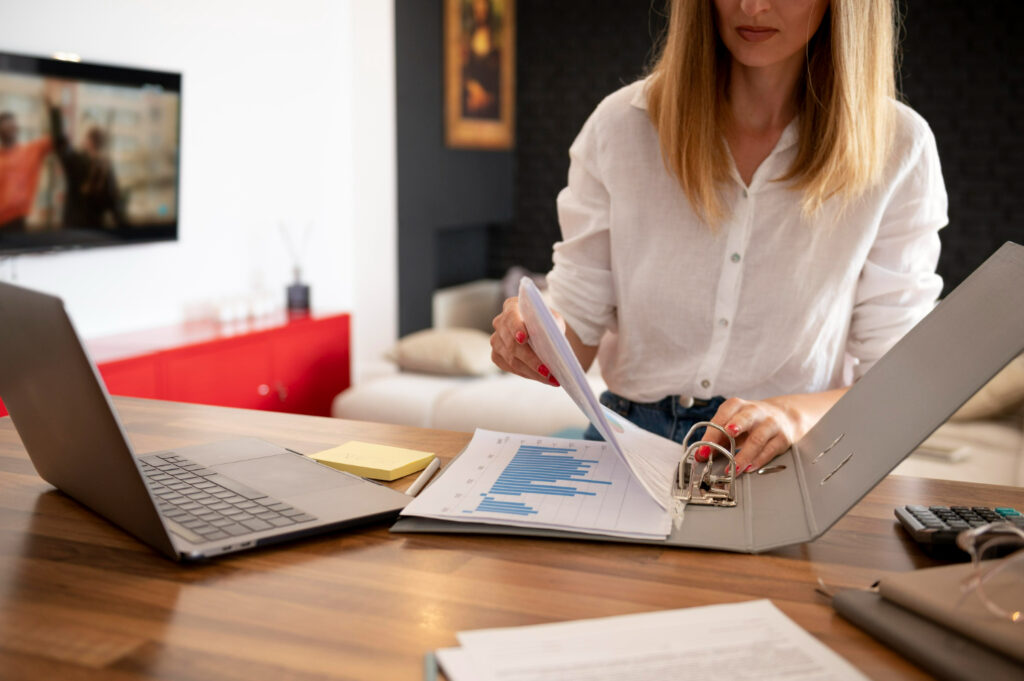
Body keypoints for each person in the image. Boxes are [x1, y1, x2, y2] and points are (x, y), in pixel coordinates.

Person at [490, 0, 947, 477]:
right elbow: (577, 336)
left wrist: (793, 414)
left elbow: (896, 381)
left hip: (779, 460)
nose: (751, 6)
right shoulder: (621, 126)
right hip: (625, 445)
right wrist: (535, 337)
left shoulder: (898, 146)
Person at [47, 91, 127, 230]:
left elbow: (60, 142)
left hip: (72, 231)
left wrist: (55, 110)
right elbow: (116, 208)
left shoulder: (78, 162)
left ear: (88, 142)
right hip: (95, 234)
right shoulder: (107, 170)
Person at [0, 110, 52, 231]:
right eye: (6, 126)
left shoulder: (30, 151)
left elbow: (57, 139)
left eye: (12, 126)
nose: (11, 129)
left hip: (17, 221)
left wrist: (53, 109)